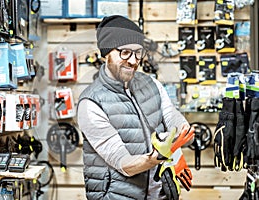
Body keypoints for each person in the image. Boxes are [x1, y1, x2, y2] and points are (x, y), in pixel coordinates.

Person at [77, 15, 194, 200]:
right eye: (125, 52)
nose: (133, 60)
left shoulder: (152, 84)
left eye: (138, 52)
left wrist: (178, 146)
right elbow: (123, 163)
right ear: (106, 53)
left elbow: (171, 116)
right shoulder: (90, 103)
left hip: (159, 194)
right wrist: (156, 158)